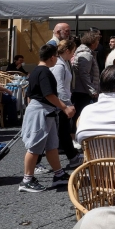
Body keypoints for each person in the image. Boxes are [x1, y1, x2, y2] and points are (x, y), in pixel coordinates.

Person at [19, 43, 74, 193]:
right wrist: (65, 107)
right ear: (51, 57)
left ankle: (59, 174)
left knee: (51, 145)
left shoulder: (36, 71)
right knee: (35, 147)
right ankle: (27, 180)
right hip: (41, 111)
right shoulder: (44, 72)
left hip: (43, 111)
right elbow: (48, 94)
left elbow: (30, 95)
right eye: (56, 56)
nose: (56, 58)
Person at [52, 40, 83, 170]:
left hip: (62, 103)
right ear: (67, 51)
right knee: (62, 131)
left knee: (62, 131)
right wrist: (68, 105)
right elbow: (60, 88)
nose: (73, 54)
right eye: (73, 51)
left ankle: (73, 156)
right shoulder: (59, 66)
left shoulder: (63, 63)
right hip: (61, 104)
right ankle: (72, 157)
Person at [72, 30, 100, 120]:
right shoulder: (86, 54)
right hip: (83, 92)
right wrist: (92, 90)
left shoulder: (87, 53)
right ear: (92, 42)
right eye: (97, 41)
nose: (98, 43)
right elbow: (84, 74)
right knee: (81, 115)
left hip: (83, 90)